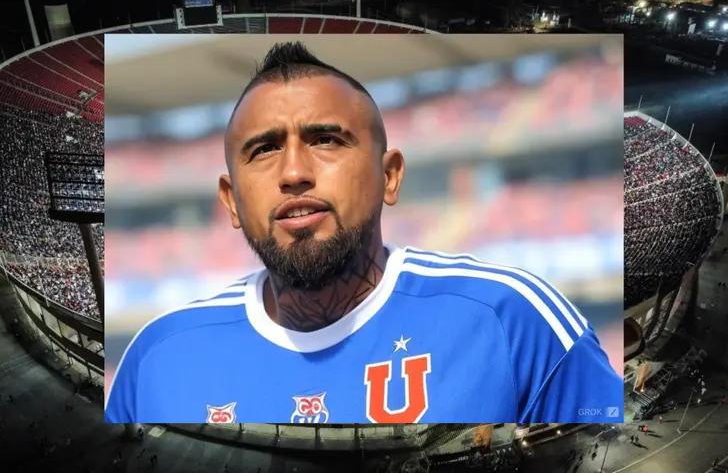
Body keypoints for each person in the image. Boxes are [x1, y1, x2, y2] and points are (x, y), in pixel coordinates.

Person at [104, 41, 623, 424]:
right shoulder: (157, 358)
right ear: (231, 201)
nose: (293, 173)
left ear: (390, 175)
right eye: (262, 150)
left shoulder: (515, 320)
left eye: (326, 139)